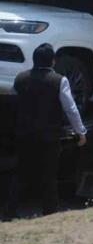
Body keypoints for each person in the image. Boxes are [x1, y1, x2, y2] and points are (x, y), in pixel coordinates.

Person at [3, 44, 87, 220]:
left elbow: (13, 105)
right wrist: (81, 132)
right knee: (49, 176)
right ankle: (49, 212)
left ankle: (10, 212)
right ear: (53, 61)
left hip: (24, 135)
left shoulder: (20, 79)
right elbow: (70, 108)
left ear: (34, 59)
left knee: (21, 174)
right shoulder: (59, 80)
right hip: (49, 136)